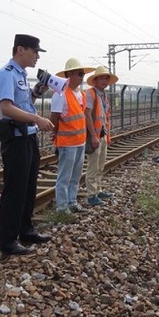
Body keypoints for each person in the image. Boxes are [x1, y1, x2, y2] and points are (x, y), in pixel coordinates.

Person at [0, 34, 55, 256]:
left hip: (27, 136)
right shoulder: (6, 75)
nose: (37, 56)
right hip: (16, 137)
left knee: (28, 186)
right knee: (15, 189)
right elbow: (7, 107)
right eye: (35, 51)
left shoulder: (20, 75)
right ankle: (8, 241)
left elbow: (24, 103)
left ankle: (26, 230)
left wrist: (36, 93)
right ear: (21, 50)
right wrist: (37, 119)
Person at [49, 58, 96, 214]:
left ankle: (72, 202)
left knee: (75, 176)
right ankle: (62, 207)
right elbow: (54, 118)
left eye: (82, 74)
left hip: (80, 142)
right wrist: (54, 134)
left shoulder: (80, 94)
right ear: (69, 75)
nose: (82, 77)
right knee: (64, 177)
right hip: (67, 142)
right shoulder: (60, 94)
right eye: (79, 74)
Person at [84, 65, 118, 206]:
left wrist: (107, 136)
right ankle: (91, 195)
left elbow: (105, 117)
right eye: (101, 78)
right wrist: (93, 136)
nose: (104, 81)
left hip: (102, 135)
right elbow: (87, 114)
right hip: (95, 135)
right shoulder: (90, 94)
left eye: (106, 78)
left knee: (100, 165)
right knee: (93, 166)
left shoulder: (104, 96)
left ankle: (97, 190)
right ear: (95, 80)